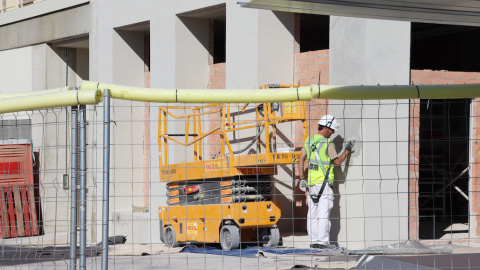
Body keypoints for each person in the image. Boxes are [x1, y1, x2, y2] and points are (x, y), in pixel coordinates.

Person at [296, 114, 354, 249]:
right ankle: (322, 243)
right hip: (324, 184)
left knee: (312, 214)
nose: (333, 133)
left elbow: (300, 159)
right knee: (323, 213)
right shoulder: (328, 143)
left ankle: (313, 242)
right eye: (332, 130)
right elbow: (338, 161)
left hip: (311, 184)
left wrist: (301, 178)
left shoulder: (309, 140)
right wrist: (347, 150)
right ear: (327, 128)